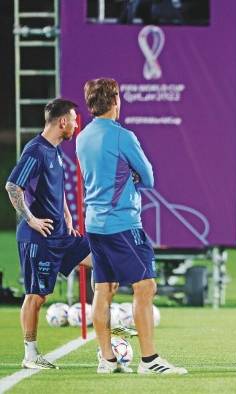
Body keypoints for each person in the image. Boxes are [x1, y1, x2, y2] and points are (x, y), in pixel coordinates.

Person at [76, 78, 186, 375]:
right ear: (115, 101)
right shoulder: (123, 136)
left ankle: (107, 359)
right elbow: (148, 177)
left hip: (95, 223)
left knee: (104, 288)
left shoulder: (82, 136)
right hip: (122, 222)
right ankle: (150, 360)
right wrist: (133, 178)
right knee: (145, 286)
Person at [5, 98, 92, 369]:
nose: (77, 125)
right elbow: (12, 186)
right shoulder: (36, 150)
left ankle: (108, 331)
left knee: (102, 259)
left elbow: (55, 188)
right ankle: (30, 355)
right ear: (62, 122)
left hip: (61, 235)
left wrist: (67, 214)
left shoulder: (54, 151)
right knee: (36, 296)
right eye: (74, 120)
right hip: (38, 237)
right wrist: (30, 219)